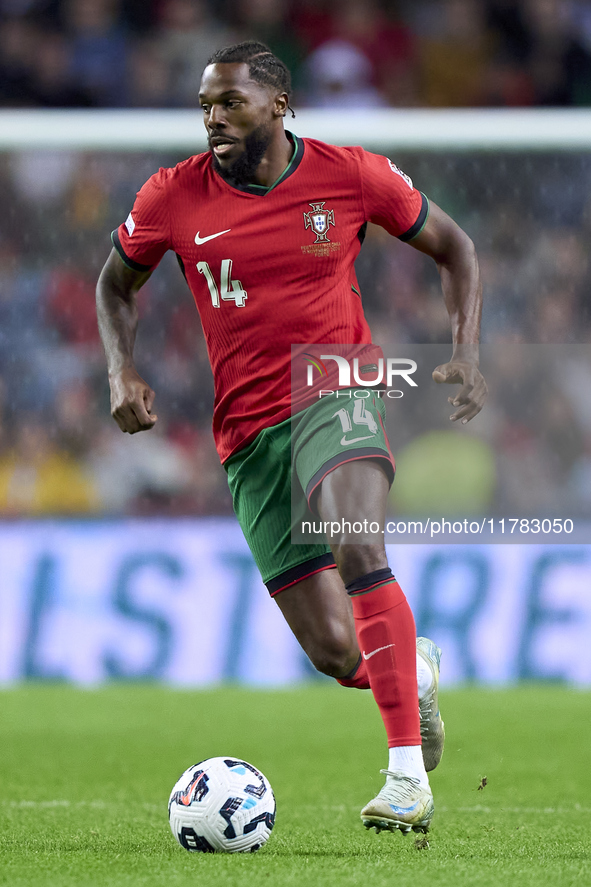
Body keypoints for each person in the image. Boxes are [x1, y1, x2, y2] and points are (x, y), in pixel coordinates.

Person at [96, 40, 487, 836]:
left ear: (278, 105)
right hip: (245, 431)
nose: (212, 117)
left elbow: (455, 247)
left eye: (229, 102)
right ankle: (409, 668)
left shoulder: (349, 175)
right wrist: (118, 371)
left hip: (335, 384)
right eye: (205, 104)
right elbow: (114, 283)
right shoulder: (171, 195)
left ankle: (405, 781)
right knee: (336, 651)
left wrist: (465, 350)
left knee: (357, 549)